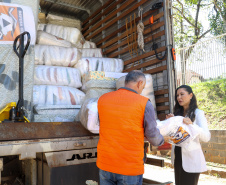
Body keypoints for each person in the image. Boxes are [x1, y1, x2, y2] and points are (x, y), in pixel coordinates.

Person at [97, 70, 165, 185]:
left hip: (105, 164)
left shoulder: (103, 99)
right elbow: (152, 135)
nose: (141, 90)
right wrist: (162, 140)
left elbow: (102, 124)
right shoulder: (143, 103)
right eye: (142, 87)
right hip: (129, 166)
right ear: (139, 83)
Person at [166, 85, 211, 185]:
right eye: (177, 95)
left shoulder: (198, 113)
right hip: (178, 157)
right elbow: (175, 136)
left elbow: (206, 137)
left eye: (182, 94)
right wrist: (171, 122)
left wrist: (191, 125)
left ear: (191, 95)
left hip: (192, 159)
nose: (179, 98)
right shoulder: (177, 114)